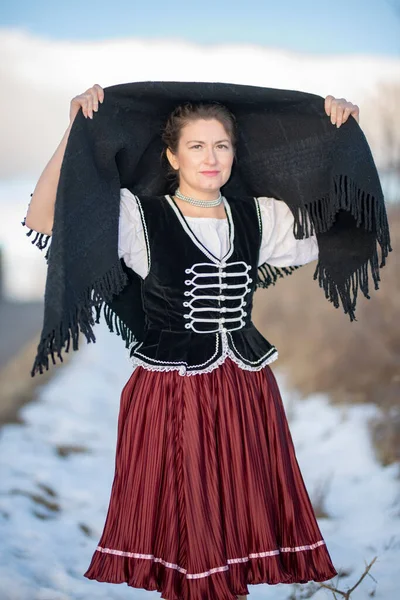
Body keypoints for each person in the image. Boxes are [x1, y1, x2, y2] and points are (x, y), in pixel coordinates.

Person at [24, 84, 362, 600]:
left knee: (235, 529)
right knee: (188, 535)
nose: (211, 157)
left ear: (234, 154)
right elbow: (45, 218)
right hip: (169, 392)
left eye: (222, 146)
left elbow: (338, 218)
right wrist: (75, 130)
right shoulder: (140, 218)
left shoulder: (259, 216)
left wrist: (341, 134)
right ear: (172, 155)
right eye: (197, 146)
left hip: (246, 391)